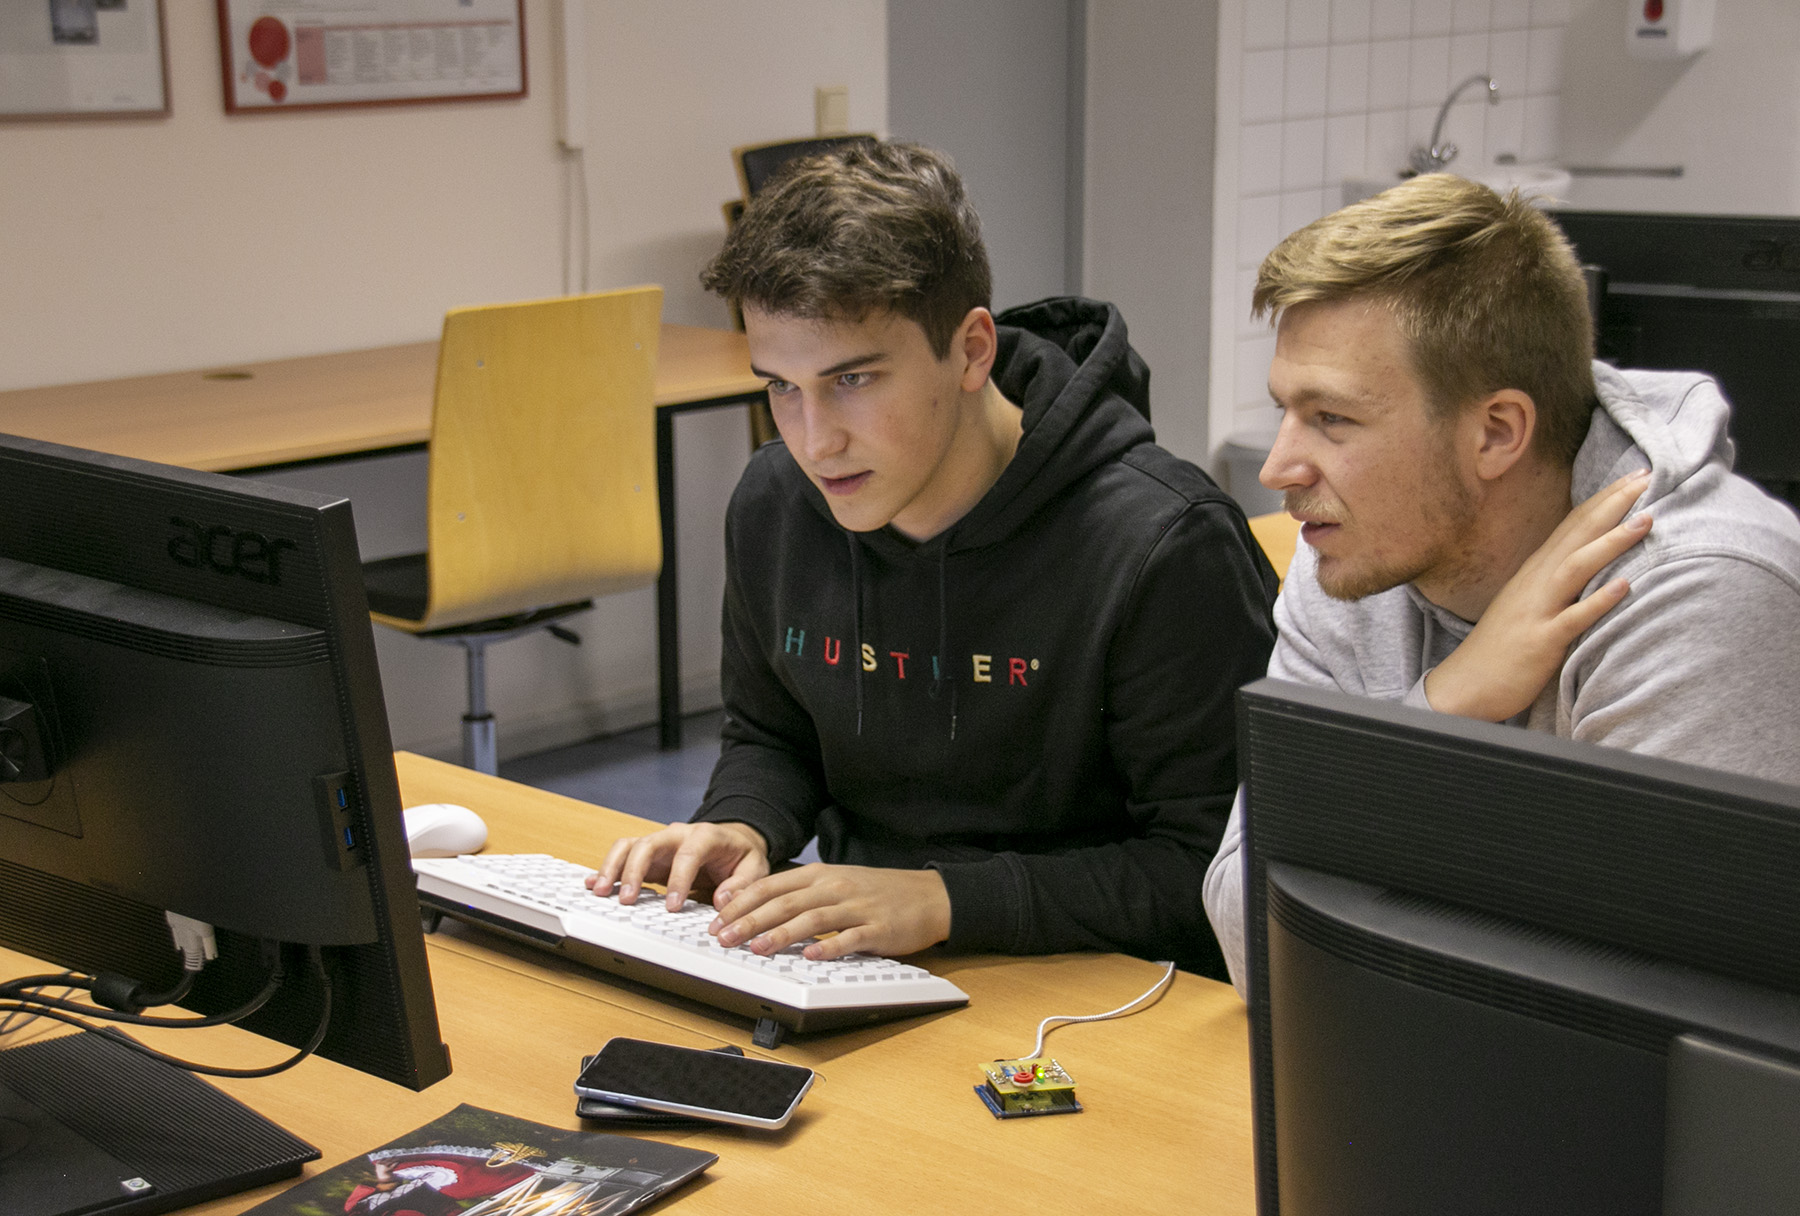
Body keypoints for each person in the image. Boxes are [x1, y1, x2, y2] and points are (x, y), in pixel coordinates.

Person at [590, 140, 1277, 979]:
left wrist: (943, 900)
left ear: (973, 350)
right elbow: (775, 733)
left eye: (853, 380)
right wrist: (741, 824)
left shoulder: (1164, 543)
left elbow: (1214, 881)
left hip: (1095, 989)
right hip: (857, 963)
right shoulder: (776, 502)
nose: (813, 441)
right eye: (779, 386)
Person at [1203, 173, 1800, 993]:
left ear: (1497, 433)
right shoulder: (1349, 560)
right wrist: (1444, 709)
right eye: (1285, 410)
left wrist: (1374, 854)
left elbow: (1639, 1007)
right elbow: (1251, 943)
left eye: (1333, 418)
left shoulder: (1696, 594)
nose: (1278, 466)